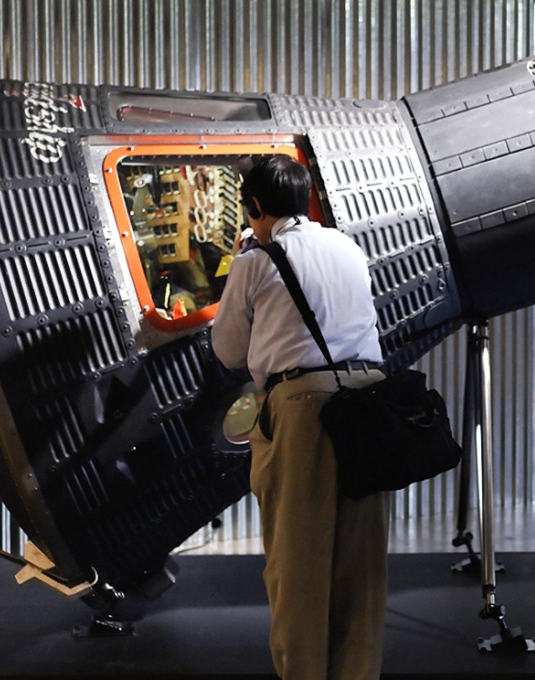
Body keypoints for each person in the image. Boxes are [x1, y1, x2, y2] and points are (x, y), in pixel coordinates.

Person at [212, 155, 389, 680]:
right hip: (369, 402)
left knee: (299, 564)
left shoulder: (254, 262)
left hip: (303, 407)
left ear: (255, 206)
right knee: (361, 565)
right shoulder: (348, 247)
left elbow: (228, 351)